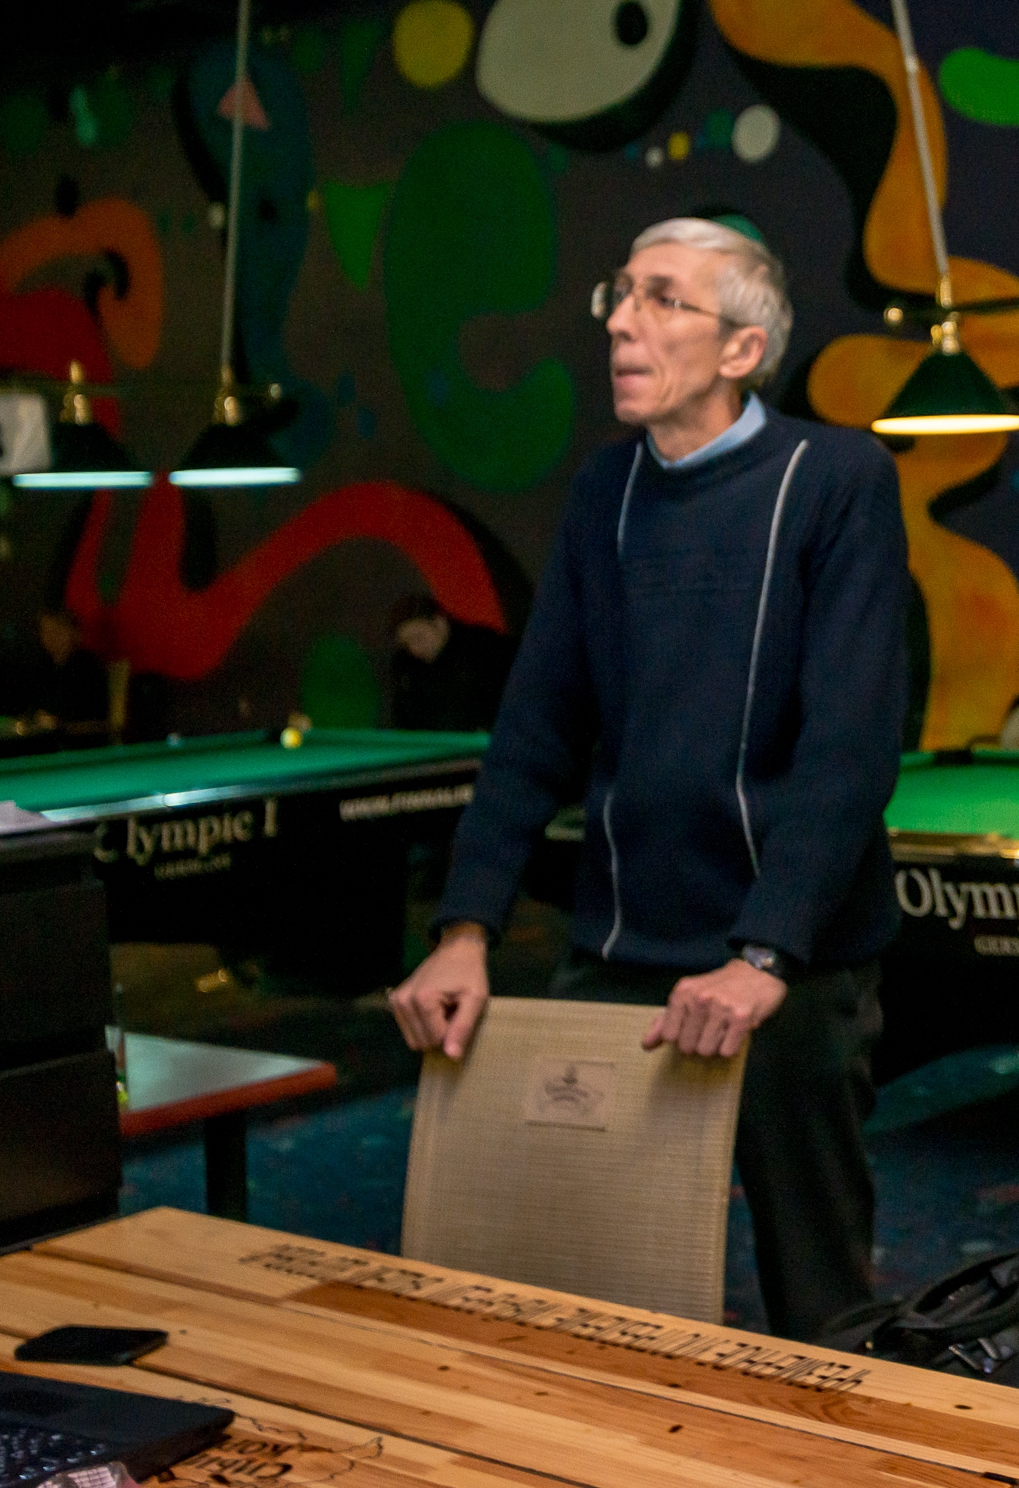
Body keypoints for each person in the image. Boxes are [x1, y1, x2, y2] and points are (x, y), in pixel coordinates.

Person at [387, 218, 911, 1341]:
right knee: (578, 1283)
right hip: (625, 949)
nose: (622, 323)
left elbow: (851, 748)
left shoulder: (837, 479)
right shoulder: (603, 493)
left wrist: (763, 954)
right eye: (620, 295)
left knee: (821, 1300)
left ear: (742, 349)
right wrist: (465, 929)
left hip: (791, 963)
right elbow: (535, 728)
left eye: (662, 299)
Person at [387, 593, 515, 732]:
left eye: (419, 637)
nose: (414, 649)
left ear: (440, 622)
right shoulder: (406, 669)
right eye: (407, 644)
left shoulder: (487, 649)